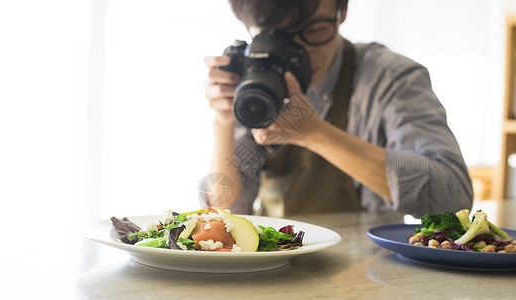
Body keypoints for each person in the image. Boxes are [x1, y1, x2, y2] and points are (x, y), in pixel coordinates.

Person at [201, 0, 473, 218]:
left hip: (371, 269)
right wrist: (223, 122)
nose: (301, 52)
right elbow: (225, 211)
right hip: (275, 265)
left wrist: (314, 133)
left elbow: (453, 196)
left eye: (313, 30)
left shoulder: (389, 78)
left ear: (342, 10)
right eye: (279, 36)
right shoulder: (254, 81)